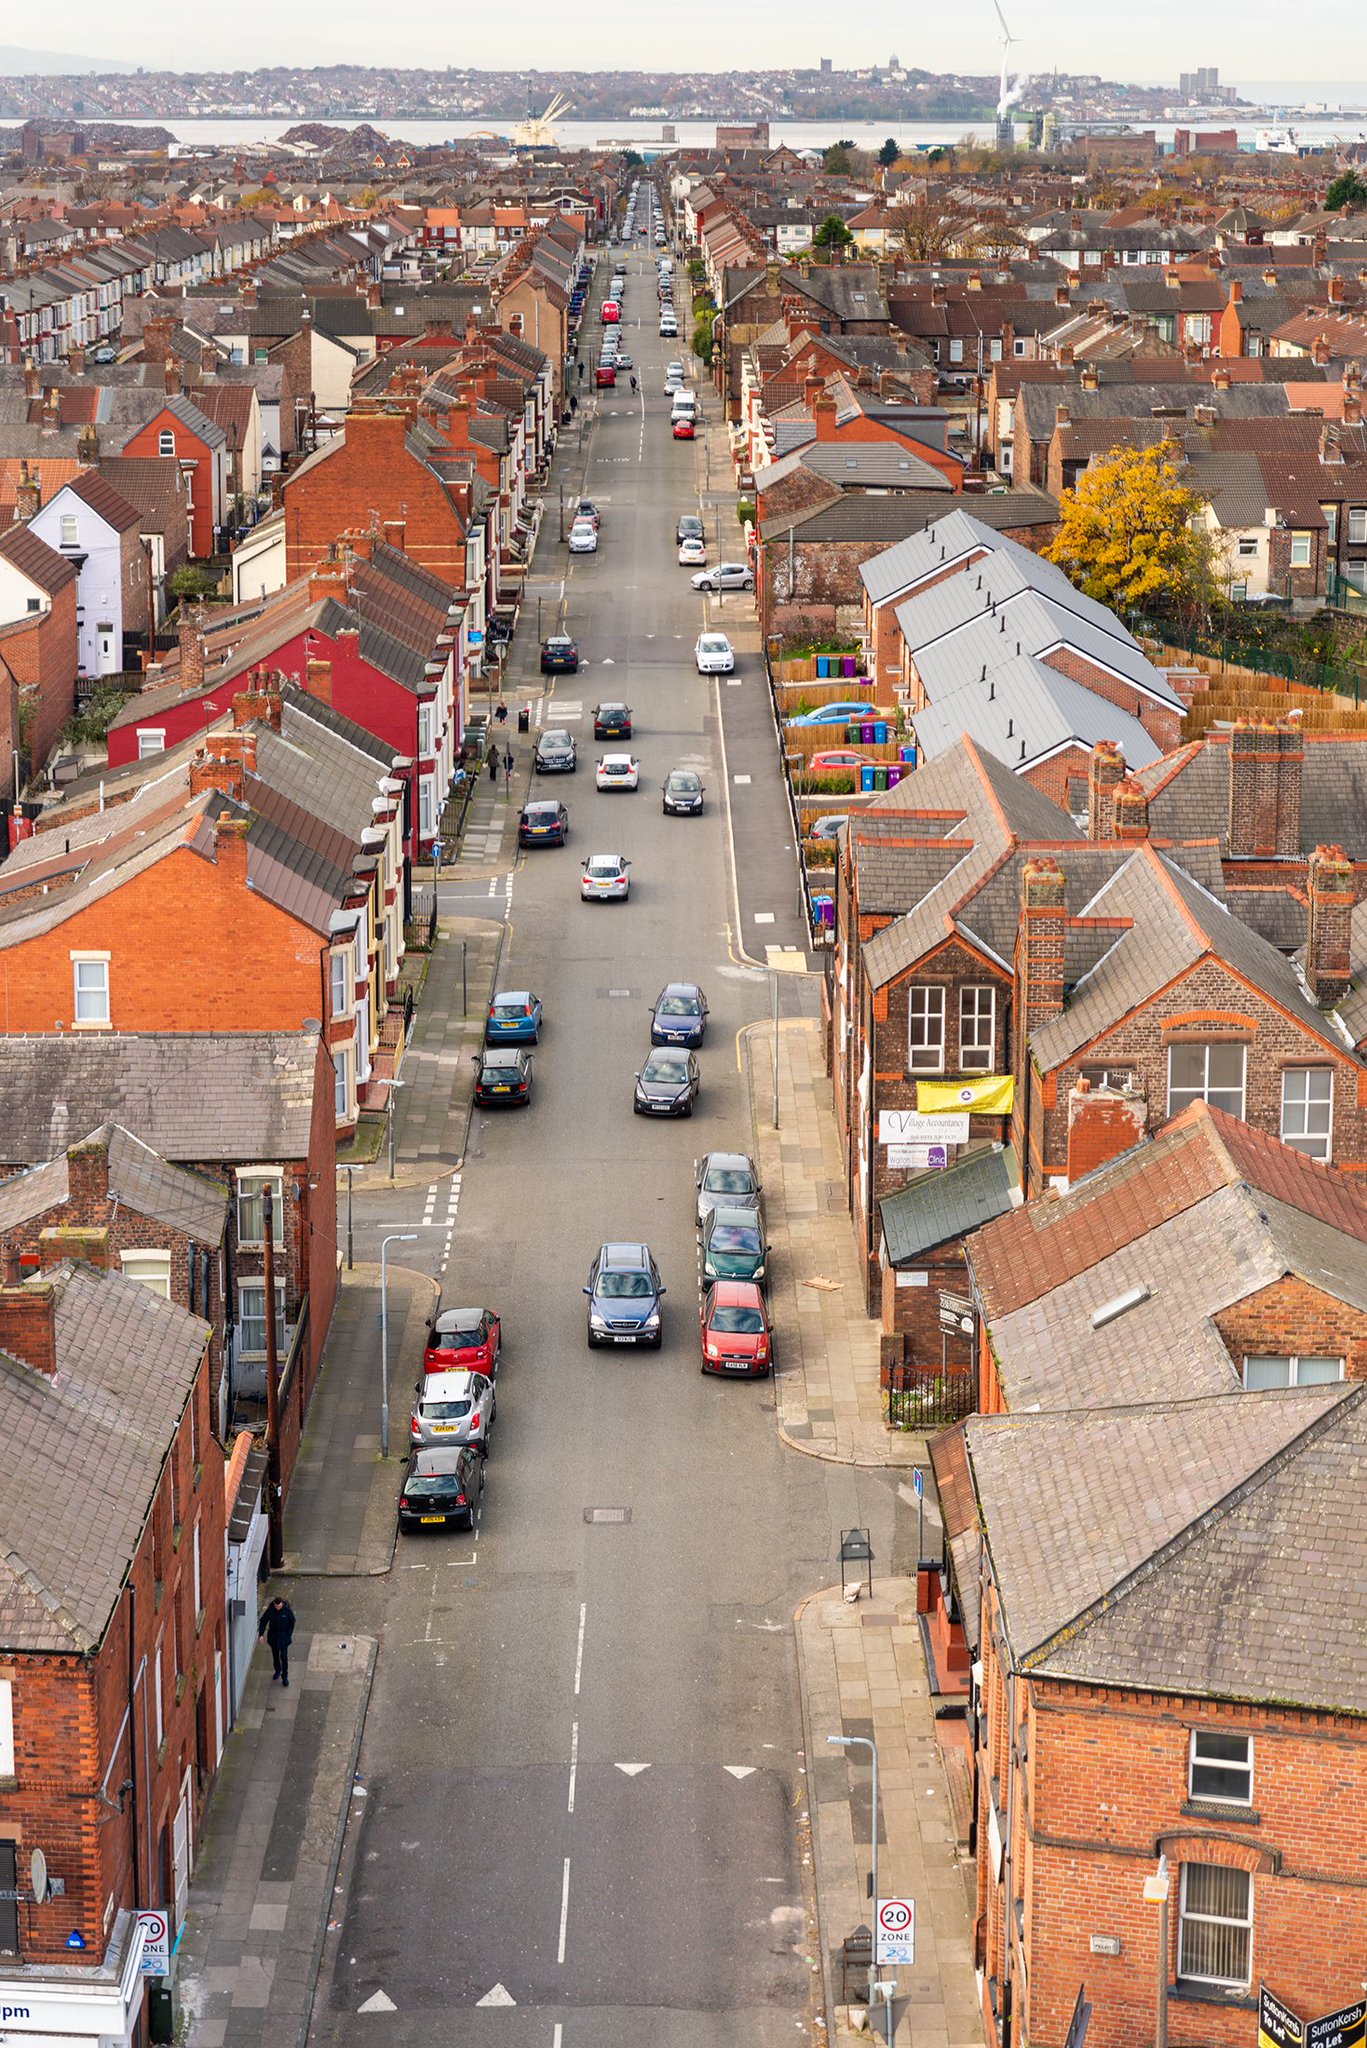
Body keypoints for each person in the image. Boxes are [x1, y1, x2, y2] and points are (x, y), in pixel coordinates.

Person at [258, 1595, 296, 1687]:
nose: (278, 1608)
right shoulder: (271, 1611)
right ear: (274, 1605)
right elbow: (263, 1621)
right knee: (275, 1656)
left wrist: (288, 1634)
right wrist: (261, 1634)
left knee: (284, 1657)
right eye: (276, 1606)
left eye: (279, 1606)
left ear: (282, 1604)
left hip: (283, 1637)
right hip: (273, 1637)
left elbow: (292, 1622)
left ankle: (285, 1676)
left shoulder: (287, 1611)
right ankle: (277, 1670)